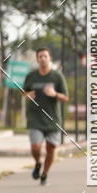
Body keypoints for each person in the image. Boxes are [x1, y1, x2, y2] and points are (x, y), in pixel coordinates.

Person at [23, 47, 69, 185]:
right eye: (40, 56)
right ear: (37, 59)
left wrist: (54, 94)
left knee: (51, 148)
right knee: (35, 147)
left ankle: (45, 174)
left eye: (45, 56)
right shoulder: (31, 76)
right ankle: (38, 163)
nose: (43, 58)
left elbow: (66, 97)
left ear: (50, 58)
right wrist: (27, 95)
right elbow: (24, 92)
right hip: (34, 118)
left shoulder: (57, 76)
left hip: (52, 119)